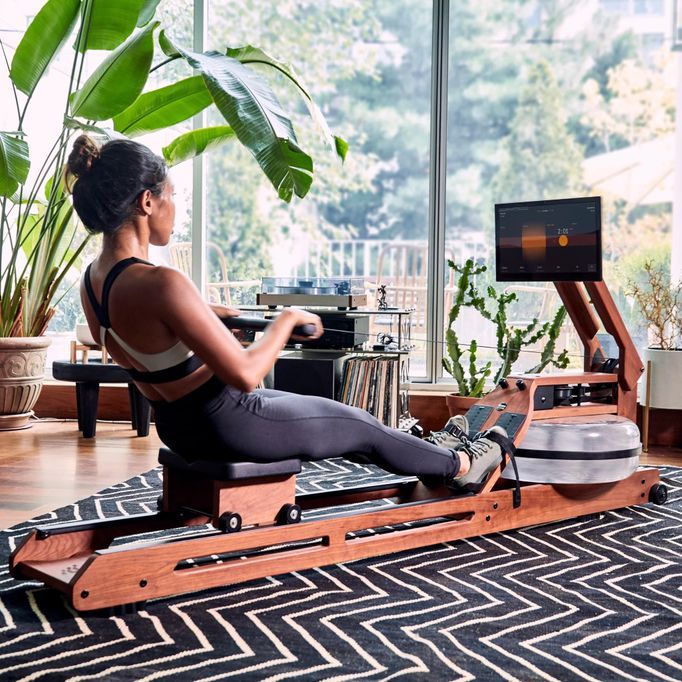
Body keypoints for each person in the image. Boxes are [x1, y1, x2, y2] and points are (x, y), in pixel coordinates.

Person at [67, 134, 505, 491]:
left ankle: (431, 451)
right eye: (172, 197)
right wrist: (287, 319)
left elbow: (148, 341)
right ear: (147, 202)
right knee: (362, 425)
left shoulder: (93, 282)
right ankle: (460, 463)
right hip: (231, 422)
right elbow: (243, 372)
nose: (176, 210)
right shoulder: (163, 283)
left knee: (334, 423)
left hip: (180, 426)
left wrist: (205, 313)